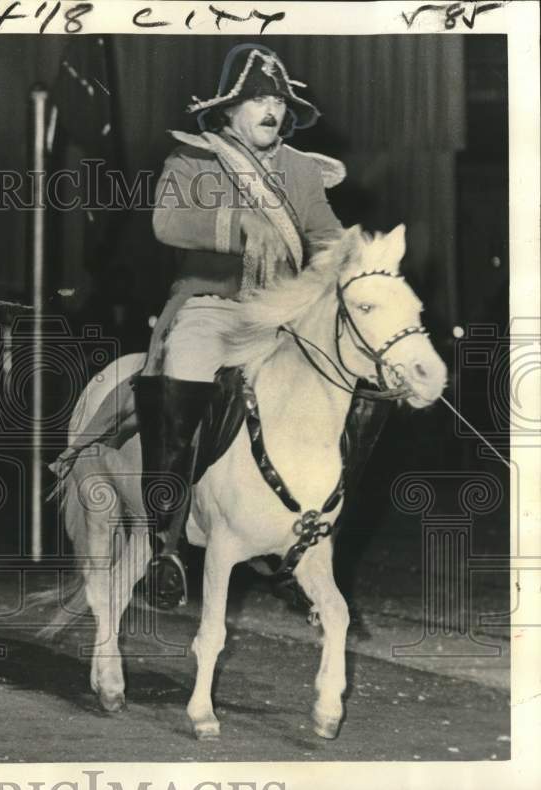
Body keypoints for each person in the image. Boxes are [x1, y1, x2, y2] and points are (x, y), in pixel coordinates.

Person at [138, 44, 346, 609]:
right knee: (187, 374)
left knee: (336, 387)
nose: (271, 109)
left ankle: (300, 544)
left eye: (277, 99)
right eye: (257, 98)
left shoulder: (300, 169)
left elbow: (325, 235)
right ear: (227, 111)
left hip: (282, 314)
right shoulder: (195, 161)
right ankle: (167, 537)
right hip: (214, 309)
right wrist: (239, 225)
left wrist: (345, 266)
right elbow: (167, 221)